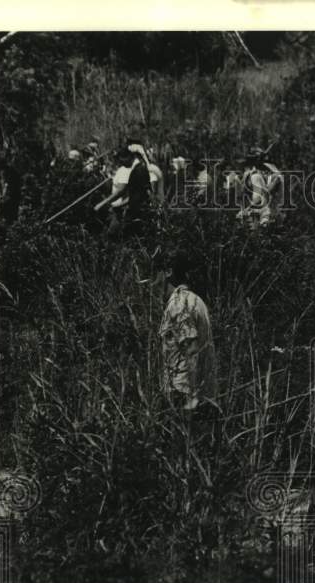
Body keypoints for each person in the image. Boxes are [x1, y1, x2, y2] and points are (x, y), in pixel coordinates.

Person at [159, 252, 218, 413]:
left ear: (167, 272)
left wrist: (192, 398)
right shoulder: (192, 300)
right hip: (200, 395)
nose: (147, 283)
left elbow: (191, 350)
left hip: (182, 396)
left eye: (152, 275)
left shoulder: (179, 304)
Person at [93, 147, 151, 238]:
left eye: (121, 161)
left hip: (136, 212)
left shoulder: (138, 170)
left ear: (127, 157)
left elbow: (137, 195)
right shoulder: (136, 169)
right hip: (130, 210)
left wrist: (109, 204)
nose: (121, 163)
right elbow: (134, 194)